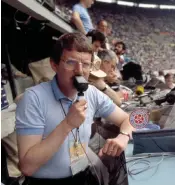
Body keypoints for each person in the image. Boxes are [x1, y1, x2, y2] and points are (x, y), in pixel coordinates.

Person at [15, 33, 134, 184]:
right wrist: (67, 125)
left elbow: (132, 119)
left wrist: (123, 136)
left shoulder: (91, 93)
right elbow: (27, 167)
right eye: (71, 62)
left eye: (85, 64)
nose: (79, 70)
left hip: (82, 176)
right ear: (54, 65)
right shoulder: (33, 99)